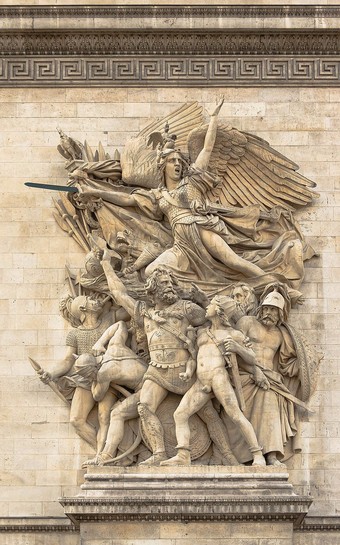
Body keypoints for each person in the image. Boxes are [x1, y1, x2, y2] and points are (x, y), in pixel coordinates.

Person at [76, 99, 291, 287]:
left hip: (201, 230)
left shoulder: (193, 181)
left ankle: (275, 285)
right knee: (152, 271)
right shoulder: (158, 195)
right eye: (172, 161)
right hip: (180, 243)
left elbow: (207, 149)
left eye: (180, 161)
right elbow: (127, 198)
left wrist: (214, 119)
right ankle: (190, 293)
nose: (177, 164)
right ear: (163, 167)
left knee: (233, 261)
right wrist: (93, 190)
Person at [100, 251, 241, 466]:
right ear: (152, 288)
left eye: (170, 283)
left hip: (185, 371)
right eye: (163, 283)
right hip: (157, 371)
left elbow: (215, 321)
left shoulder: (186, 308)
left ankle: (229, 456)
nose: (169, 286)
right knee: (144, 406)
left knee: (209, 414)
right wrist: (106, 264)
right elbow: (119, 293)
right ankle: (159, 453)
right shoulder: (143, 312)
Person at [161, 296, 266, 467]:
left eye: (211, 305)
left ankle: (257, 454)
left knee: (236, 416)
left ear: (219, 310)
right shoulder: (202, 332)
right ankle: (183, 454)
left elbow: (252, 358)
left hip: (219, 378)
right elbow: (194, 358)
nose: (207, 307)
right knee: (180, 414)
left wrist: (237, 348)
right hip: (201, 382)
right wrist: (188, 372)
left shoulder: (234, 334)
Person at [225, 289, 317, 466]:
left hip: (270, 381)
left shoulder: (280, 334)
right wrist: (254, 371)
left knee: (270, 404)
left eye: (273, 310)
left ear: (280, 314)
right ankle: (248, 454)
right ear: (260, 308)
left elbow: (284, 365)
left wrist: (305, 365)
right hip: (244, 376)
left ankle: (271, 455)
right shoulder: (247, 323)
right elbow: (232, 350)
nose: (268, 313)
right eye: (266, 308)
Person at [38, 295, 117, 450]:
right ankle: (104, 454)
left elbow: (128, 310)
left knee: (104, 416)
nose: (96, 299)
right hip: (85, 379)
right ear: (83, 308)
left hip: (107, 376)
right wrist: (51, 374)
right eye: (90, 299)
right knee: (76, 420)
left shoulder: (109, 320)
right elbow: (68, 360)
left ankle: (108, 453)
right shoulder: (74, 334)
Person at [73, 320, 148, 466]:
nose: (88, 379)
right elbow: (120, 324)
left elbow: (97, 395)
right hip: (150, 378)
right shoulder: (114, 347)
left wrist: (94, 379)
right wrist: (100, 343)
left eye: (87, 376)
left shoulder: (103, 374)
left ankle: (106, 455)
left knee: (116, 414)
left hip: (146, 389)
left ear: (91, 370)